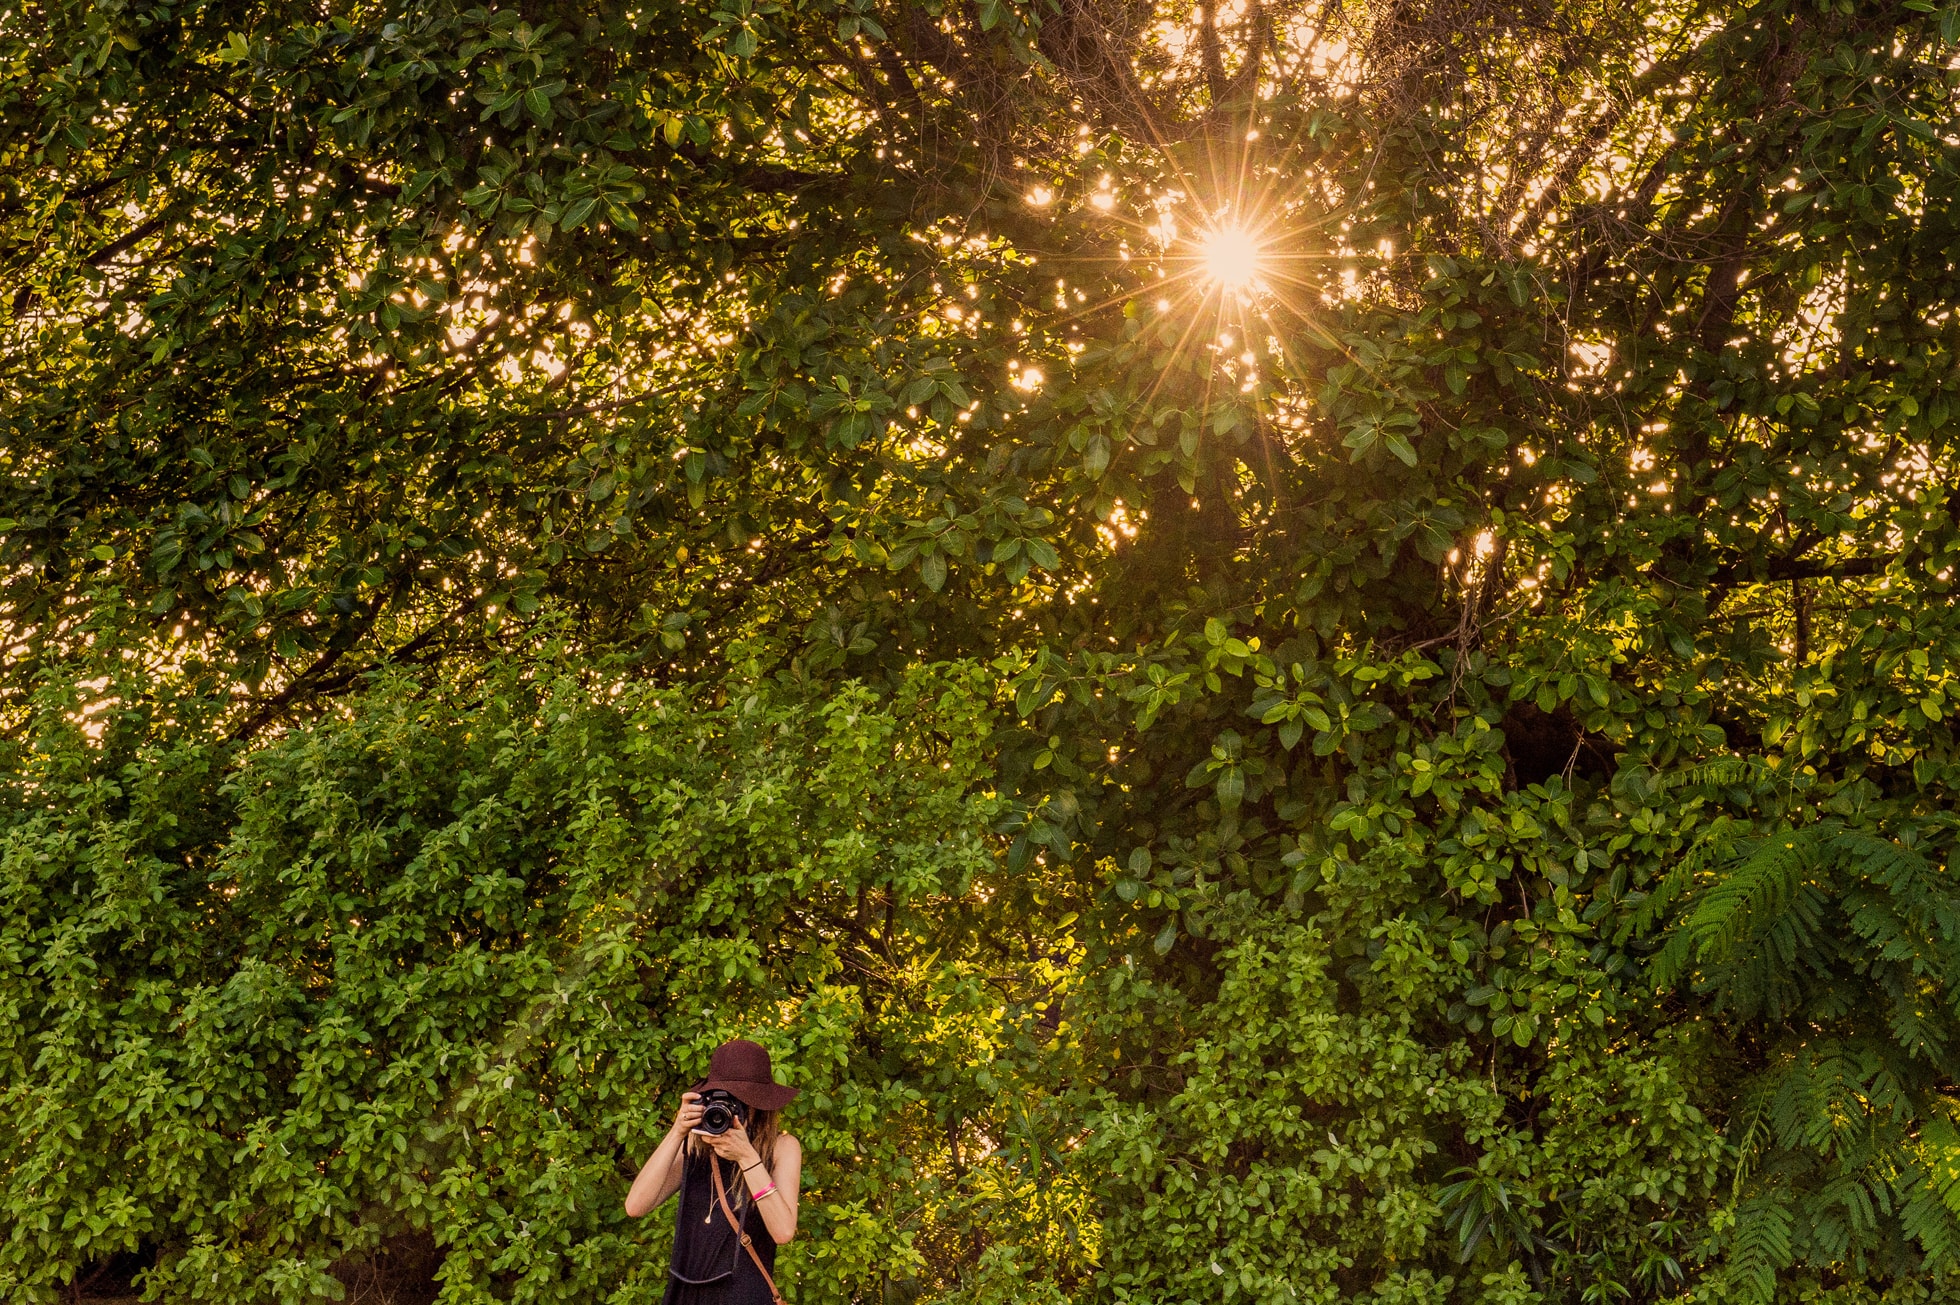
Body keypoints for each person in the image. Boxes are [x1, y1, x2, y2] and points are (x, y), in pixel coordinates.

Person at [625, 1039, 804, 1305]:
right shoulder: (696, 1146)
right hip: (686, 1292)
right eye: (721, 1097)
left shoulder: (781, 1148)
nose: (729, 1108)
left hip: (745, 1295)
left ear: (760, 1104)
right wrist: (677, 1132)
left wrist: (746, 1156)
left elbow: (783, 1232)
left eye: (740, 1100)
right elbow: (635, 1206)